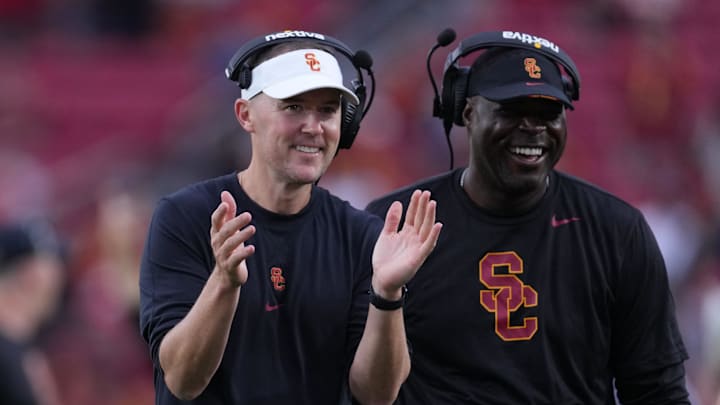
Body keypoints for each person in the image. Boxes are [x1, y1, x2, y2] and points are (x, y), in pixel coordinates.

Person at [365, 29, 690, 404]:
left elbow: (657, 391)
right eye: (512, 111)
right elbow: (362, 388)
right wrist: (385, 295)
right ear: (467, 112)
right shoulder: (396, 226)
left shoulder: (616, 231)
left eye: (548, 113)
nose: (533, 128)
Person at [138, 30, 442, 405]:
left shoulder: (363, 235)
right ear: (245, 115)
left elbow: (376, 395)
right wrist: (224, 282)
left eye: (328, 110)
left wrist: (387, 294)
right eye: (294, 106)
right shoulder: (186, 217)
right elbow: (183, 381)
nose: (313, 127)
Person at [0, 220, 65, 405]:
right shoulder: (6, 357)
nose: (61, 275)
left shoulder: (21, 350)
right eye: (55, 263)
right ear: (31, 275)